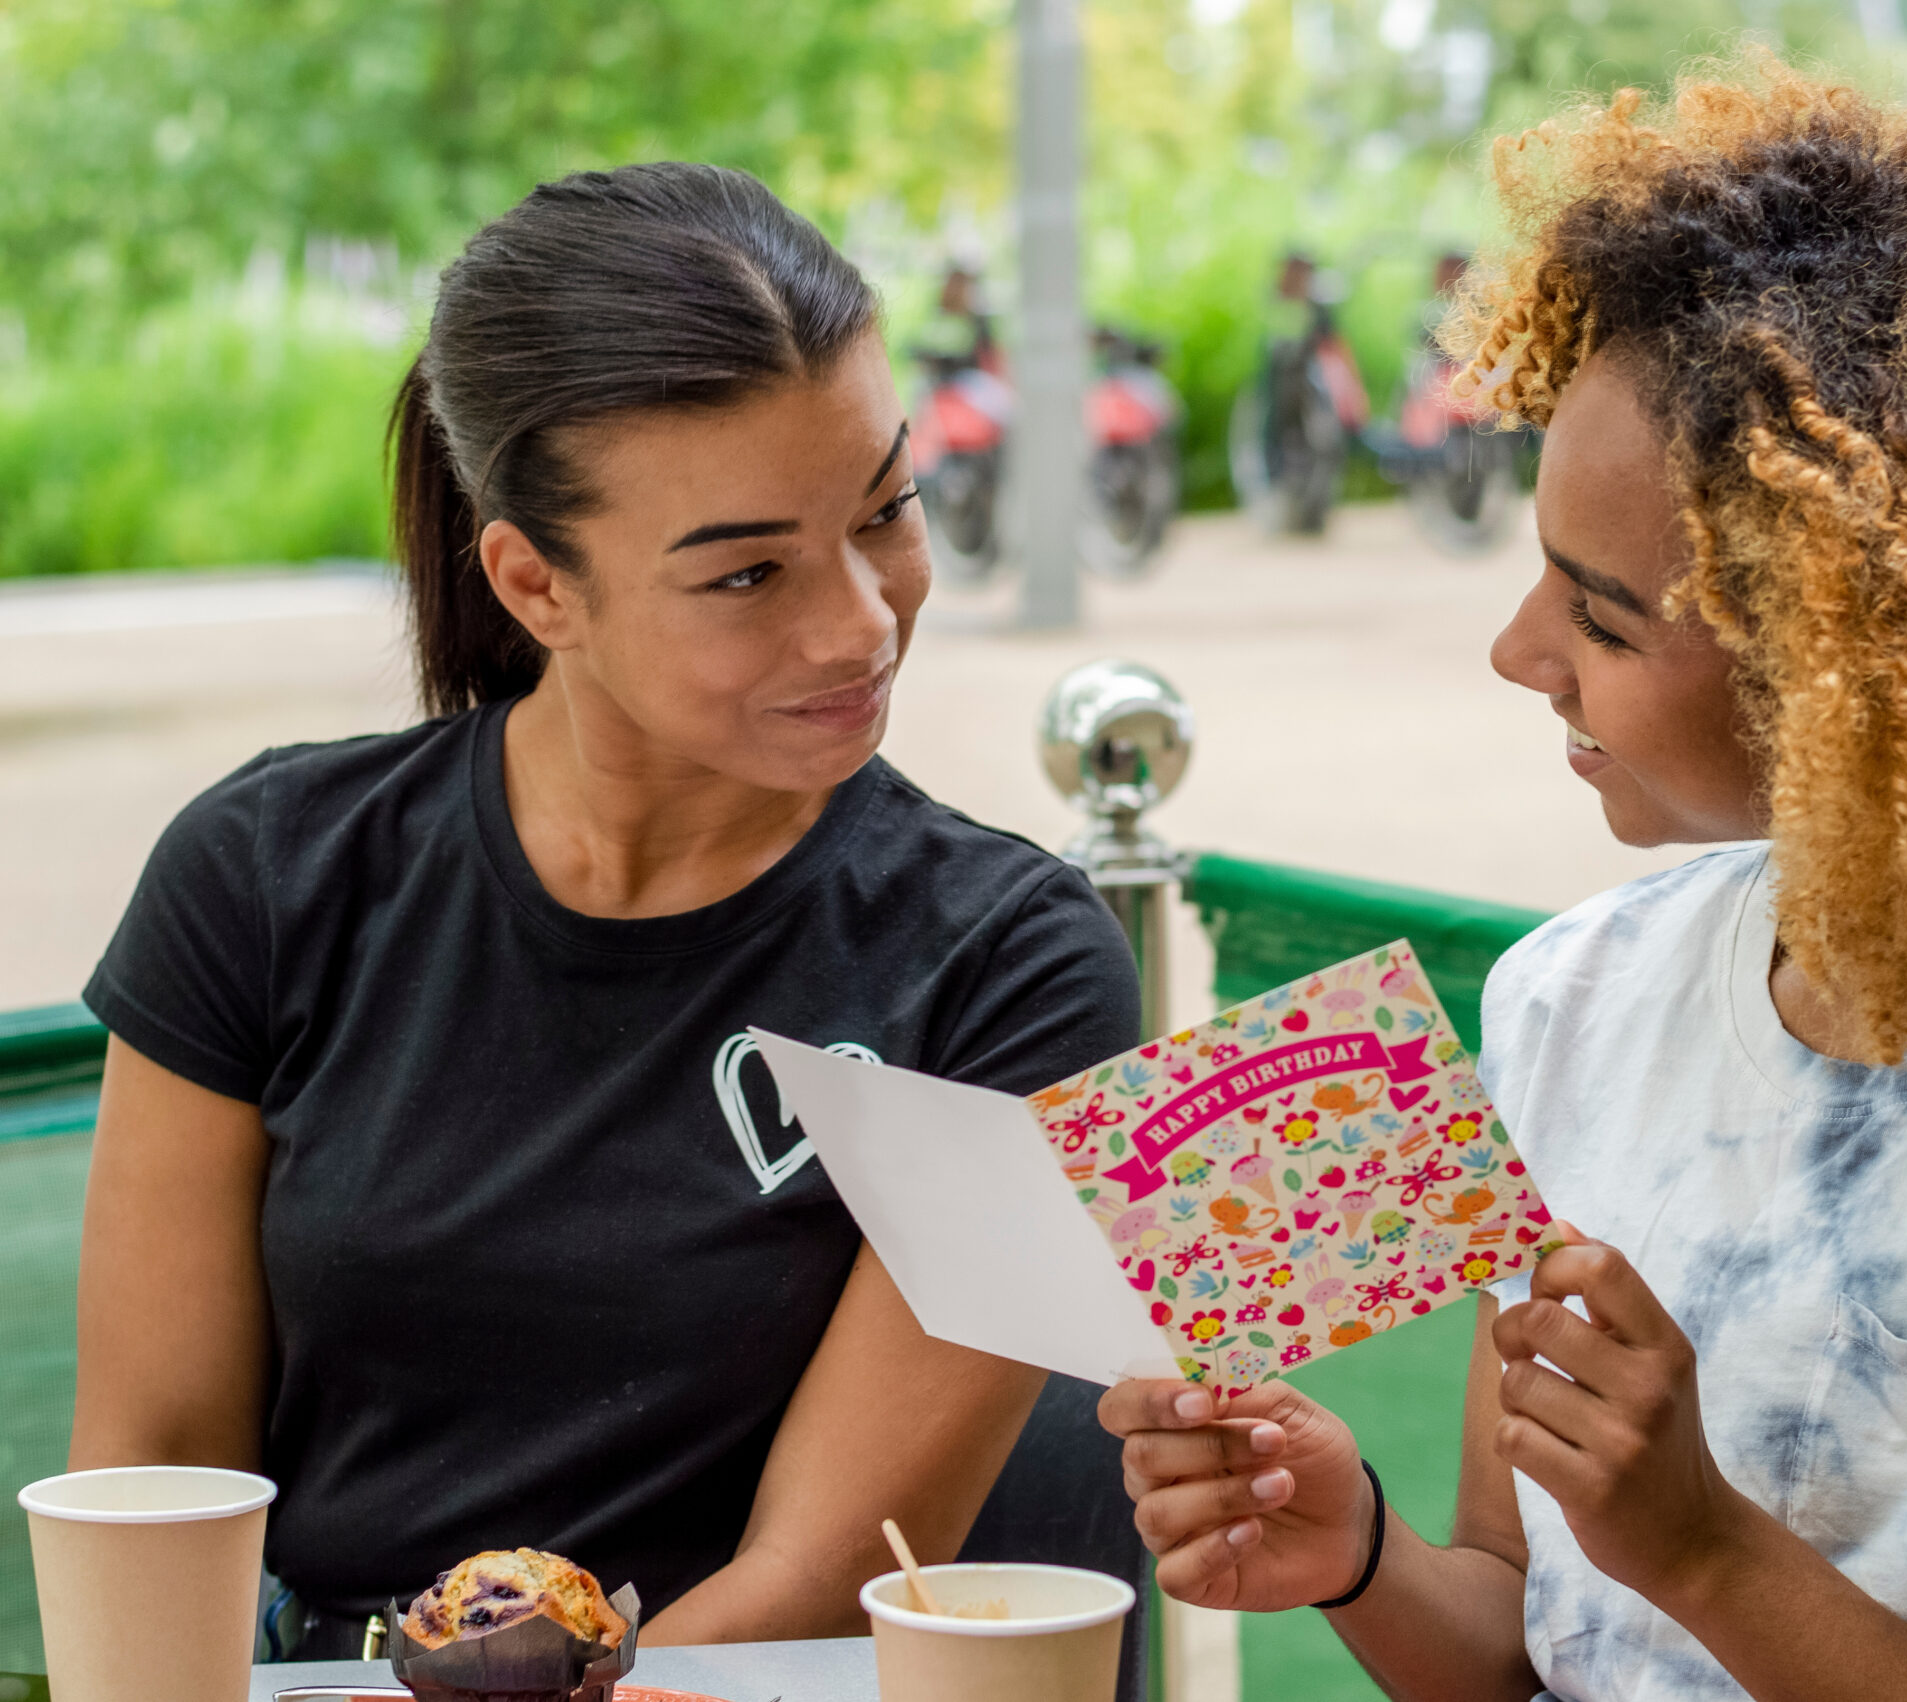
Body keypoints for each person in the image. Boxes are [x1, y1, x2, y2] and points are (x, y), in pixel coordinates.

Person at [1105, 68, 1907, 1702]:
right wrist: (1361, 1548)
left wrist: (1707, 1552)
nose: (1517, 652)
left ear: (1858, 681)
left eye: (1601, 619)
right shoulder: (1573, 996)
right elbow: (1521, 1649)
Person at [73, 163, 1139, 1657]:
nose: (863, 617)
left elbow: (821, 1575)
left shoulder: (1013, 964)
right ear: (534, 582)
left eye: (889, 507)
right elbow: (155, 1476)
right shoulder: (263, 872)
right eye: (749, 570)